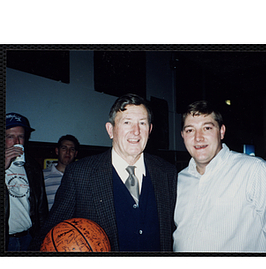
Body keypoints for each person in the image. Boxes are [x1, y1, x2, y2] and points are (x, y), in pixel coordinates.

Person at [30, 93, 177, 252]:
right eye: (127, 122)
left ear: (150, 129)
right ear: (111, 129)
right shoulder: (80, 174)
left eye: (142, 123)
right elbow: (50, 233)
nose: (136, 131)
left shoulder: (167, 172)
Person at [173, 101, 266, 253]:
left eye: (207, 128)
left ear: (221, 132)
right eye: (190, 130)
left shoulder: (255, 172)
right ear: (183, 135)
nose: (198, 138)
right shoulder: (177, 180)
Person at [5, 112, 49, 251]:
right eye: (10, 137)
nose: (17, 142)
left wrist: (42, 237)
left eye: (21, 137)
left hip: (28, 238)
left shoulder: (32, 166)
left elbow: (41, 207)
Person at [43, 135, 79, 210]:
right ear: (57, 151)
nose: (67, 152)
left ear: (75, 154)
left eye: (71, 149)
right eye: (64, 148)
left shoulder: (81, 177)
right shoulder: (42, 175)